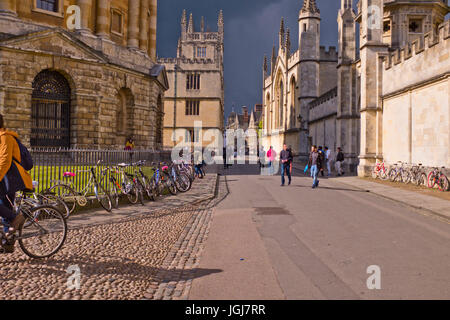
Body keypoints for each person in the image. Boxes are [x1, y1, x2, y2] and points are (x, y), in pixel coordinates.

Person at [0, 114, 32, 252]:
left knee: (6, 209)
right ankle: (7, 243)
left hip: (10, 179)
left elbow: (5, 161)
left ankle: (16, 218)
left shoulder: (5, 137)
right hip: (4, 179)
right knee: (5, 207)